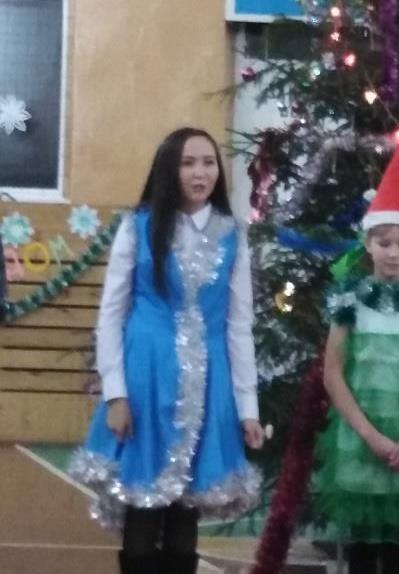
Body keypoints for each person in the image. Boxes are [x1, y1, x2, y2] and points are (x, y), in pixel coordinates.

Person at [69, 127, 265, 574]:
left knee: (183, 523)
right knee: (141, 519)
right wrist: (116, 394)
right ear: (168, 169)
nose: (200, 173)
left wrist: (247, 408)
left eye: (209, 162)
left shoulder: (232, 234)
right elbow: (111, 314)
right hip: (146, 382)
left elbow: (239, 326)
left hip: (209, 387)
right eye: (188, 163)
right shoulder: (138, 227)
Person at [315, 139, 399, 574]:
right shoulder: (349, 298)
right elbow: (333, 373)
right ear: (368, 243)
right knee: (361, 551)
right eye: (384, 242)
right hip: (361, 442)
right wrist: (370, 437)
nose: (393, 252)